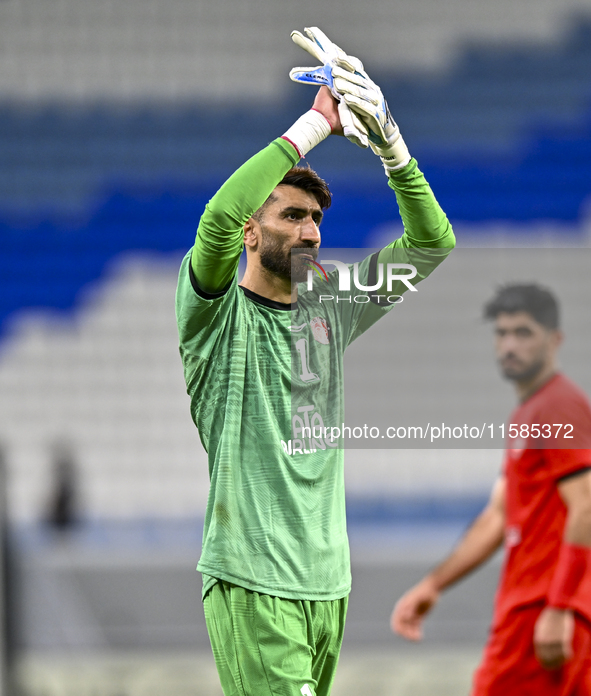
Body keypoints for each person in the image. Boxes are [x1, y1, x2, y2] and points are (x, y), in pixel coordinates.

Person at [176, 28, 455, 696]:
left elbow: (430, 245)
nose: (309, 231)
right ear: (252, 229)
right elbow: (215, 220)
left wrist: (392, 147)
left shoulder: (328, 307)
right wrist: (314, 124)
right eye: (292, 215)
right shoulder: (213, 312)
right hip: (253, 577)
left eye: (315, 220)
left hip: (328, 583)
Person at [391, 284, 591, 696]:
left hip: (542, 617)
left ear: (555, 340)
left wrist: (560, 607)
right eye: (502, 333)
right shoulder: (528, 413)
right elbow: (498, 517)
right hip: (527, 614)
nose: (509, 345)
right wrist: (434, 584)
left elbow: (586, 506)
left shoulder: (558, 406)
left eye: (523, 333)